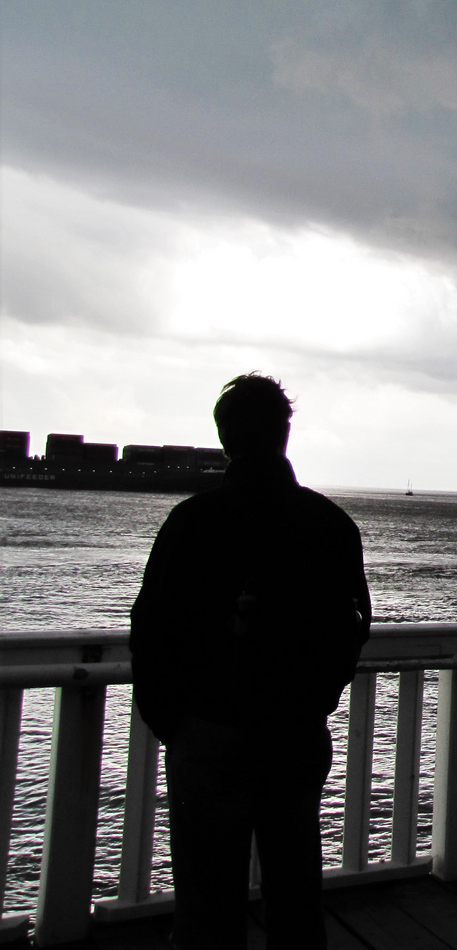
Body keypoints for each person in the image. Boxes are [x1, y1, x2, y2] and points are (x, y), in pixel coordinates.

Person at [130, 374, 372, 949]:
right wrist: (315, 701)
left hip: (208, 732)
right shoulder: (329, 523)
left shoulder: (192, 521)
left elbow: (152, 630)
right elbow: (352, 630)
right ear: (286, 434)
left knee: (206, 900)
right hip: (295, 731)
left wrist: (173, 722)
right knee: (296, 890)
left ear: (223, 439)